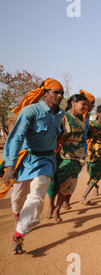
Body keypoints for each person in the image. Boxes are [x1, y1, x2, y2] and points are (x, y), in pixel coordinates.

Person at [2, 78, 65, 254]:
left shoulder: (60, 115)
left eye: (62, 93)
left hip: (46, 161)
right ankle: (19, 218)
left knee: (37, 195)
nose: (59, 96)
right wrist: (10, 165)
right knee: (17, 200)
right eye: (55, 92)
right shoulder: (31, 111)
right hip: (25, 160)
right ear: (45, 92)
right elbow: (16, 137)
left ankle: (19, 235)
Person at [46, 93, 89, 222]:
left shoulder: (81, 120)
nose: (85, 107)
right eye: (83, 104)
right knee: (54, 181)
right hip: (59, 152)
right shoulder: (63, 117)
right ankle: (50, 205)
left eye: (86, 105)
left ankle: (57, 210)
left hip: (75, 155)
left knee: (66, 182)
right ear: (73, 103)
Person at [61, 89, 95, 210]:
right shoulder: (66, 116)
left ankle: (67, 200)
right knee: (63, 175)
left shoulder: (87, 117)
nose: (90, 106)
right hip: (64, 149)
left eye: (89, 104)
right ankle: (54, 205)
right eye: (90, 103)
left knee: (74, 175)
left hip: (81, 148)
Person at [79, 105, 101, 204]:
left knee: (96, 174)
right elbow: (85, 136)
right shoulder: (91, 125)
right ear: (98, 113)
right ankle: (92, 189)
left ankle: (84, 197)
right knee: (93, 174)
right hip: (94, 153)